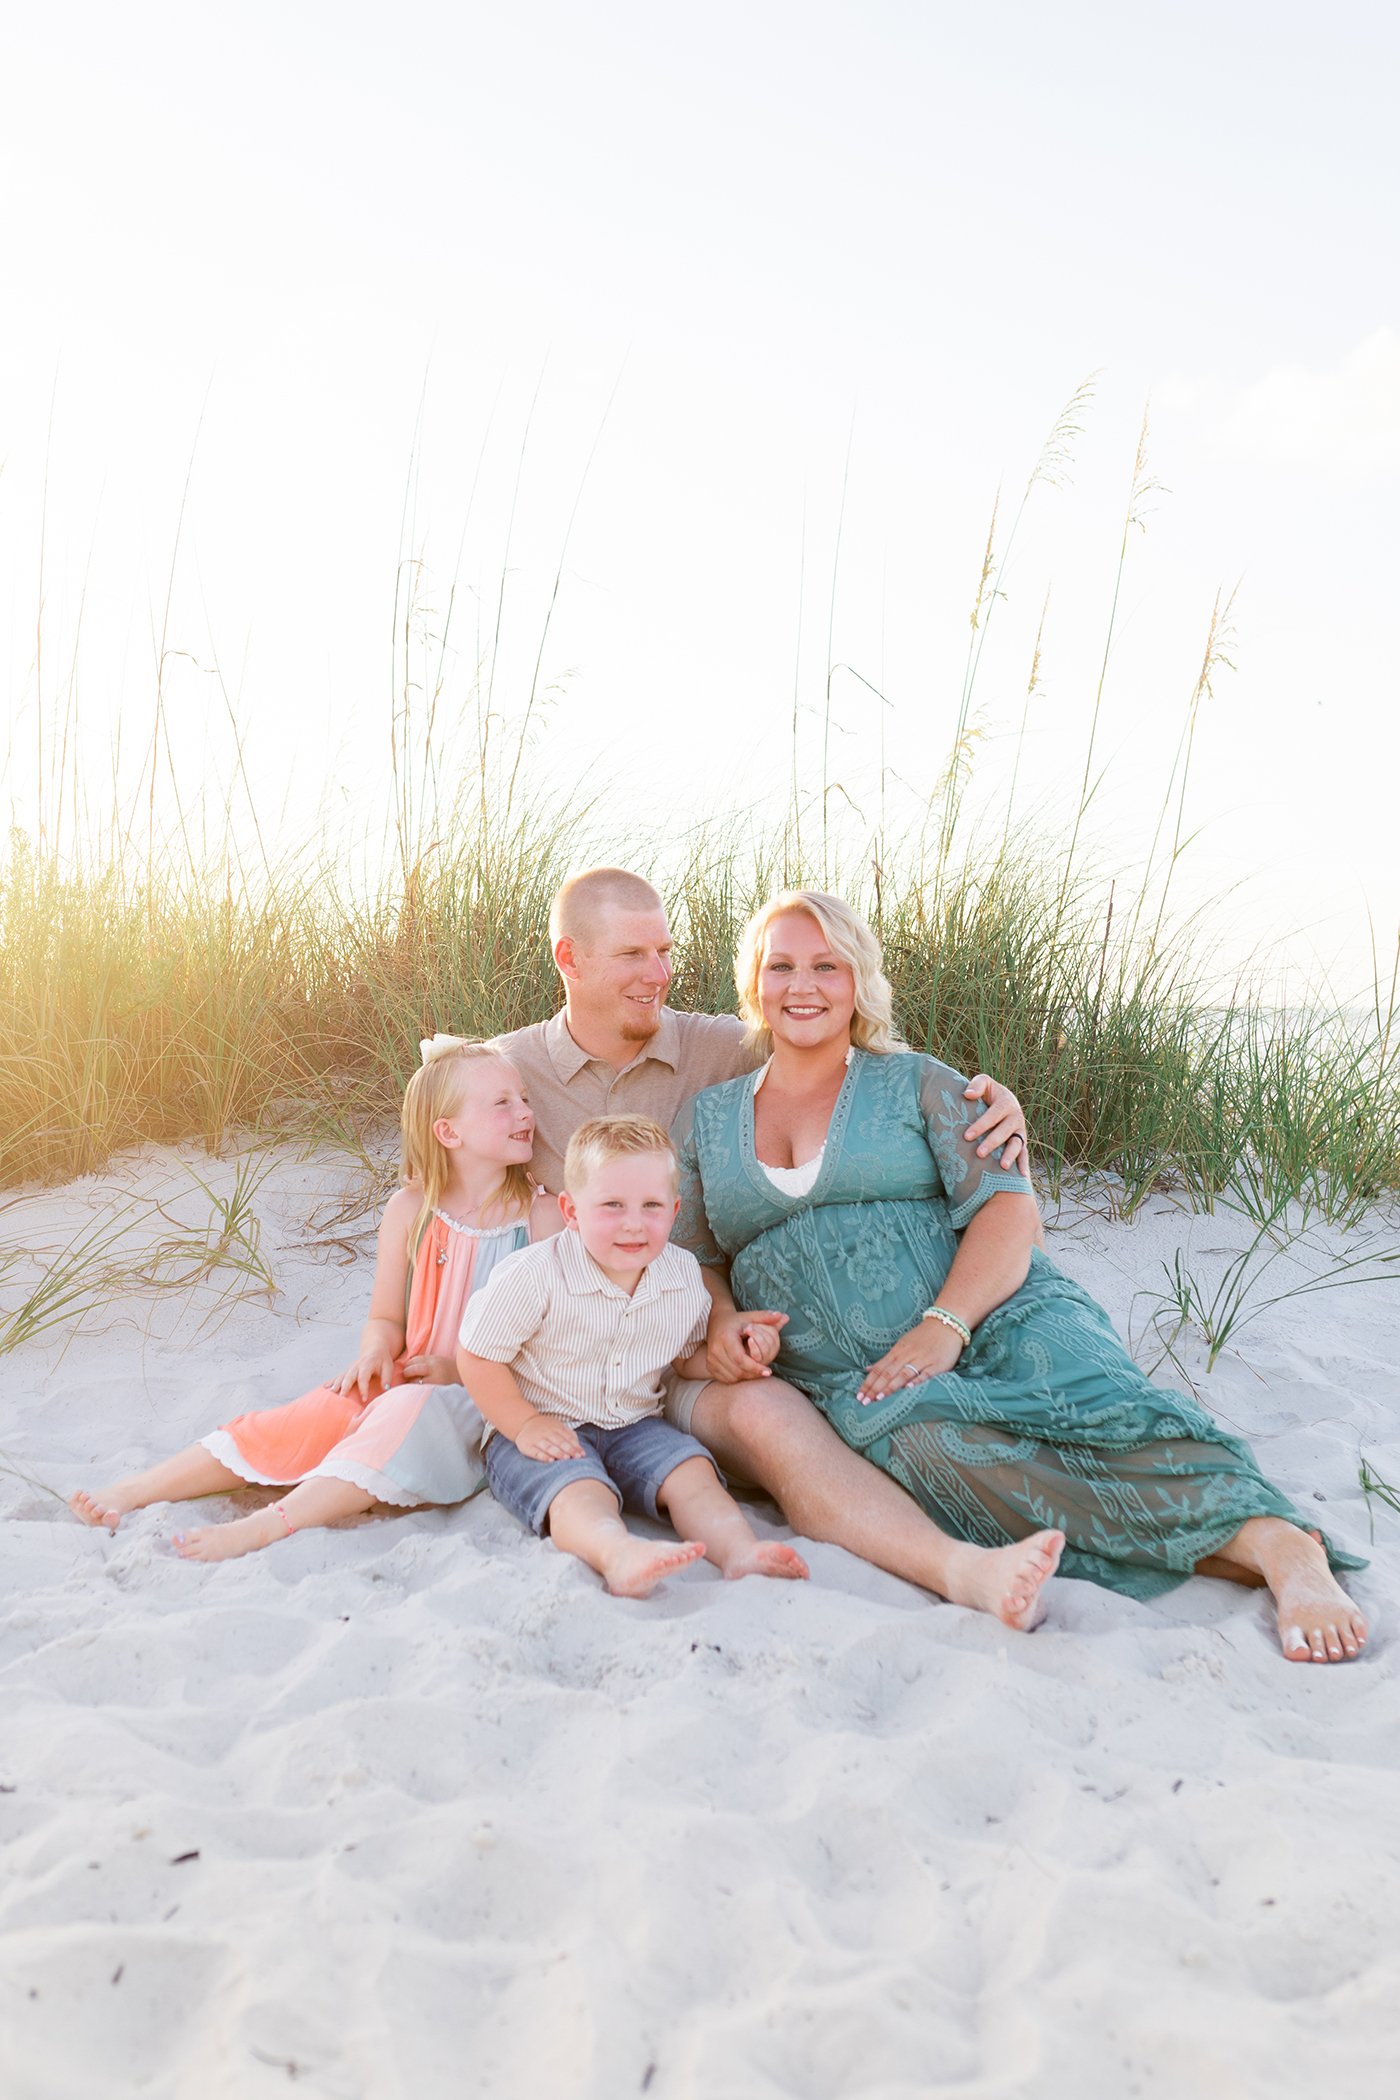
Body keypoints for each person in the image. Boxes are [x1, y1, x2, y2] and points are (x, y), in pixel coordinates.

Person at [671, 888, 1370, 1664]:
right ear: (754, 984)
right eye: (783, 967)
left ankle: (1282, 1546)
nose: (803, 986)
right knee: (937, 1449)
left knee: (1098, 1413)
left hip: (996, 1313)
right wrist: (725, 1320)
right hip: (857, 1373)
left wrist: (945, 1326)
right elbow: (699, 1257)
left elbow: (1009, 1211)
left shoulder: (920, 1084)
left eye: (826, 966)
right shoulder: (710, 1119)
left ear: (859, 981)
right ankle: (1248, 1546)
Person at [495, 867, 1068, 1630]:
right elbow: (432, 1173)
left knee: (770, 1409)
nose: (658, 974)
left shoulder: (723, 1048)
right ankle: (959, 1570)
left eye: (664, 951)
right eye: (633, 955)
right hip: (582, 1365)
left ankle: (968, 1568)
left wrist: (997, 1102)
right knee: (767, 1422)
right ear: (569, 958)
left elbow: (830, 1049)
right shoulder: (503, 1069)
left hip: (694, 1337)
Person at [69, 1039, 557, 1559]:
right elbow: (387, 1317)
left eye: (524, 1098)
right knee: (313, 1412)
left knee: (406, 1413)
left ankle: (269, 1525)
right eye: (502, 1103)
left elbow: (550, 1347)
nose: (525, 1112)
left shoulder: (539, 1220)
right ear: (447, 1132)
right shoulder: (411, 1211)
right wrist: (375, 1353)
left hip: (483, 1400)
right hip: (409, 1374)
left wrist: (458, 1372)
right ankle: (136, 1489)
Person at [459, 1115, 809, 1597]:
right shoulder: (535, 1275)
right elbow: (478, 1356)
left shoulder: (681, 1275)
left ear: (674, 1209)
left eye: (651, 1206)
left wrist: (734, 1356)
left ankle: (739, 1551)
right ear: (571, 1210)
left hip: (634, 1423)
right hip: (544, 1425)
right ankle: (618, 1554)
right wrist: (522, 1425)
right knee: (579, 1489)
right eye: (611, 1205)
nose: (633, 1223)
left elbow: (687, 1359)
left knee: (693, 1471)